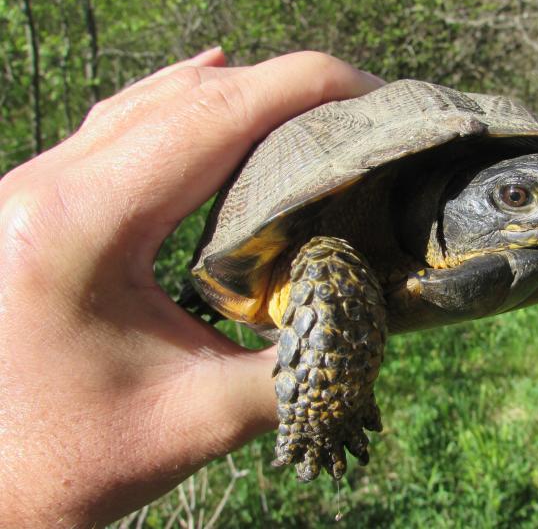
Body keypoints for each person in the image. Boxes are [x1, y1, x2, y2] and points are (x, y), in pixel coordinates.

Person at [0, 50, 385, 527]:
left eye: (514, 196)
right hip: (304, 254)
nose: (511, 215)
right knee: (328, 264)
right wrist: (327, 396)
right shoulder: (325, 254)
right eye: (510, 199)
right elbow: (323, 263)